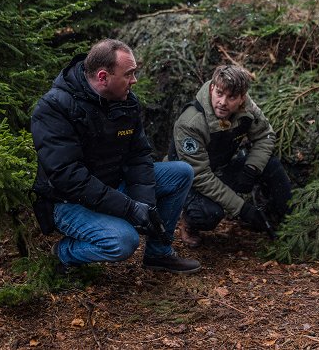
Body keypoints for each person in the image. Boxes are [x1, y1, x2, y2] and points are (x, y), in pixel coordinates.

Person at [31, 38, 201, 274]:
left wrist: (145, 205)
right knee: (123, 241)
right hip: (67, 202)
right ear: (103, 77)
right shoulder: (54, 108)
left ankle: (158, 254)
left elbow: (139, 155)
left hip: (112, 186)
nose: (134, 80)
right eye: (129, 74)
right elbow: (68, 178)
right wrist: (130, 209)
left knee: (181, 172)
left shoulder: (126, 102)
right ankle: (63, 252)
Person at [170, 64, 291, 247]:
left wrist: (251, 169)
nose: (223, 102)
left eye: (232, 97)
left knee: (270, 165)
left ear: (242, 98)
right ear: (212, 88)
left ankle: (289, 221)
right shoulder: (192, 122)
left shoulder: (247, 108)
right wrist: (243, 209)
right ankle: (188, 221)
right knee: (209, 213)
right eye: (219, 93)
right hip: (187, 179)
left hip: (220, 168)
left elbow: (265, 135)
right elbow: (200, 176)